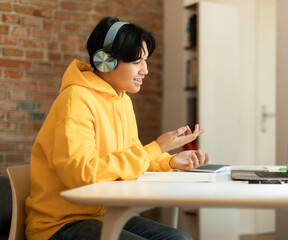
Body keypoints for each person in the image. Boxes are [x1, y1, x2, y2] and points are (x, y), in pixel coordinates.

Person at [25, 16, 209, 240]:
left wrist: (168, 160)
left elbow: (128, 157)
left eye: (146, 61)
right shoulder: (76, 99)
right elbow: (82, 174)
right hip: (61, 224)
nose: (146, 70)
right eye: (136, 62)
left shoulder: (122, 100)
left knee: (179, 238)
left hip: (103, 215)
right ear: (106, 61)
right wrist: (156, 147)